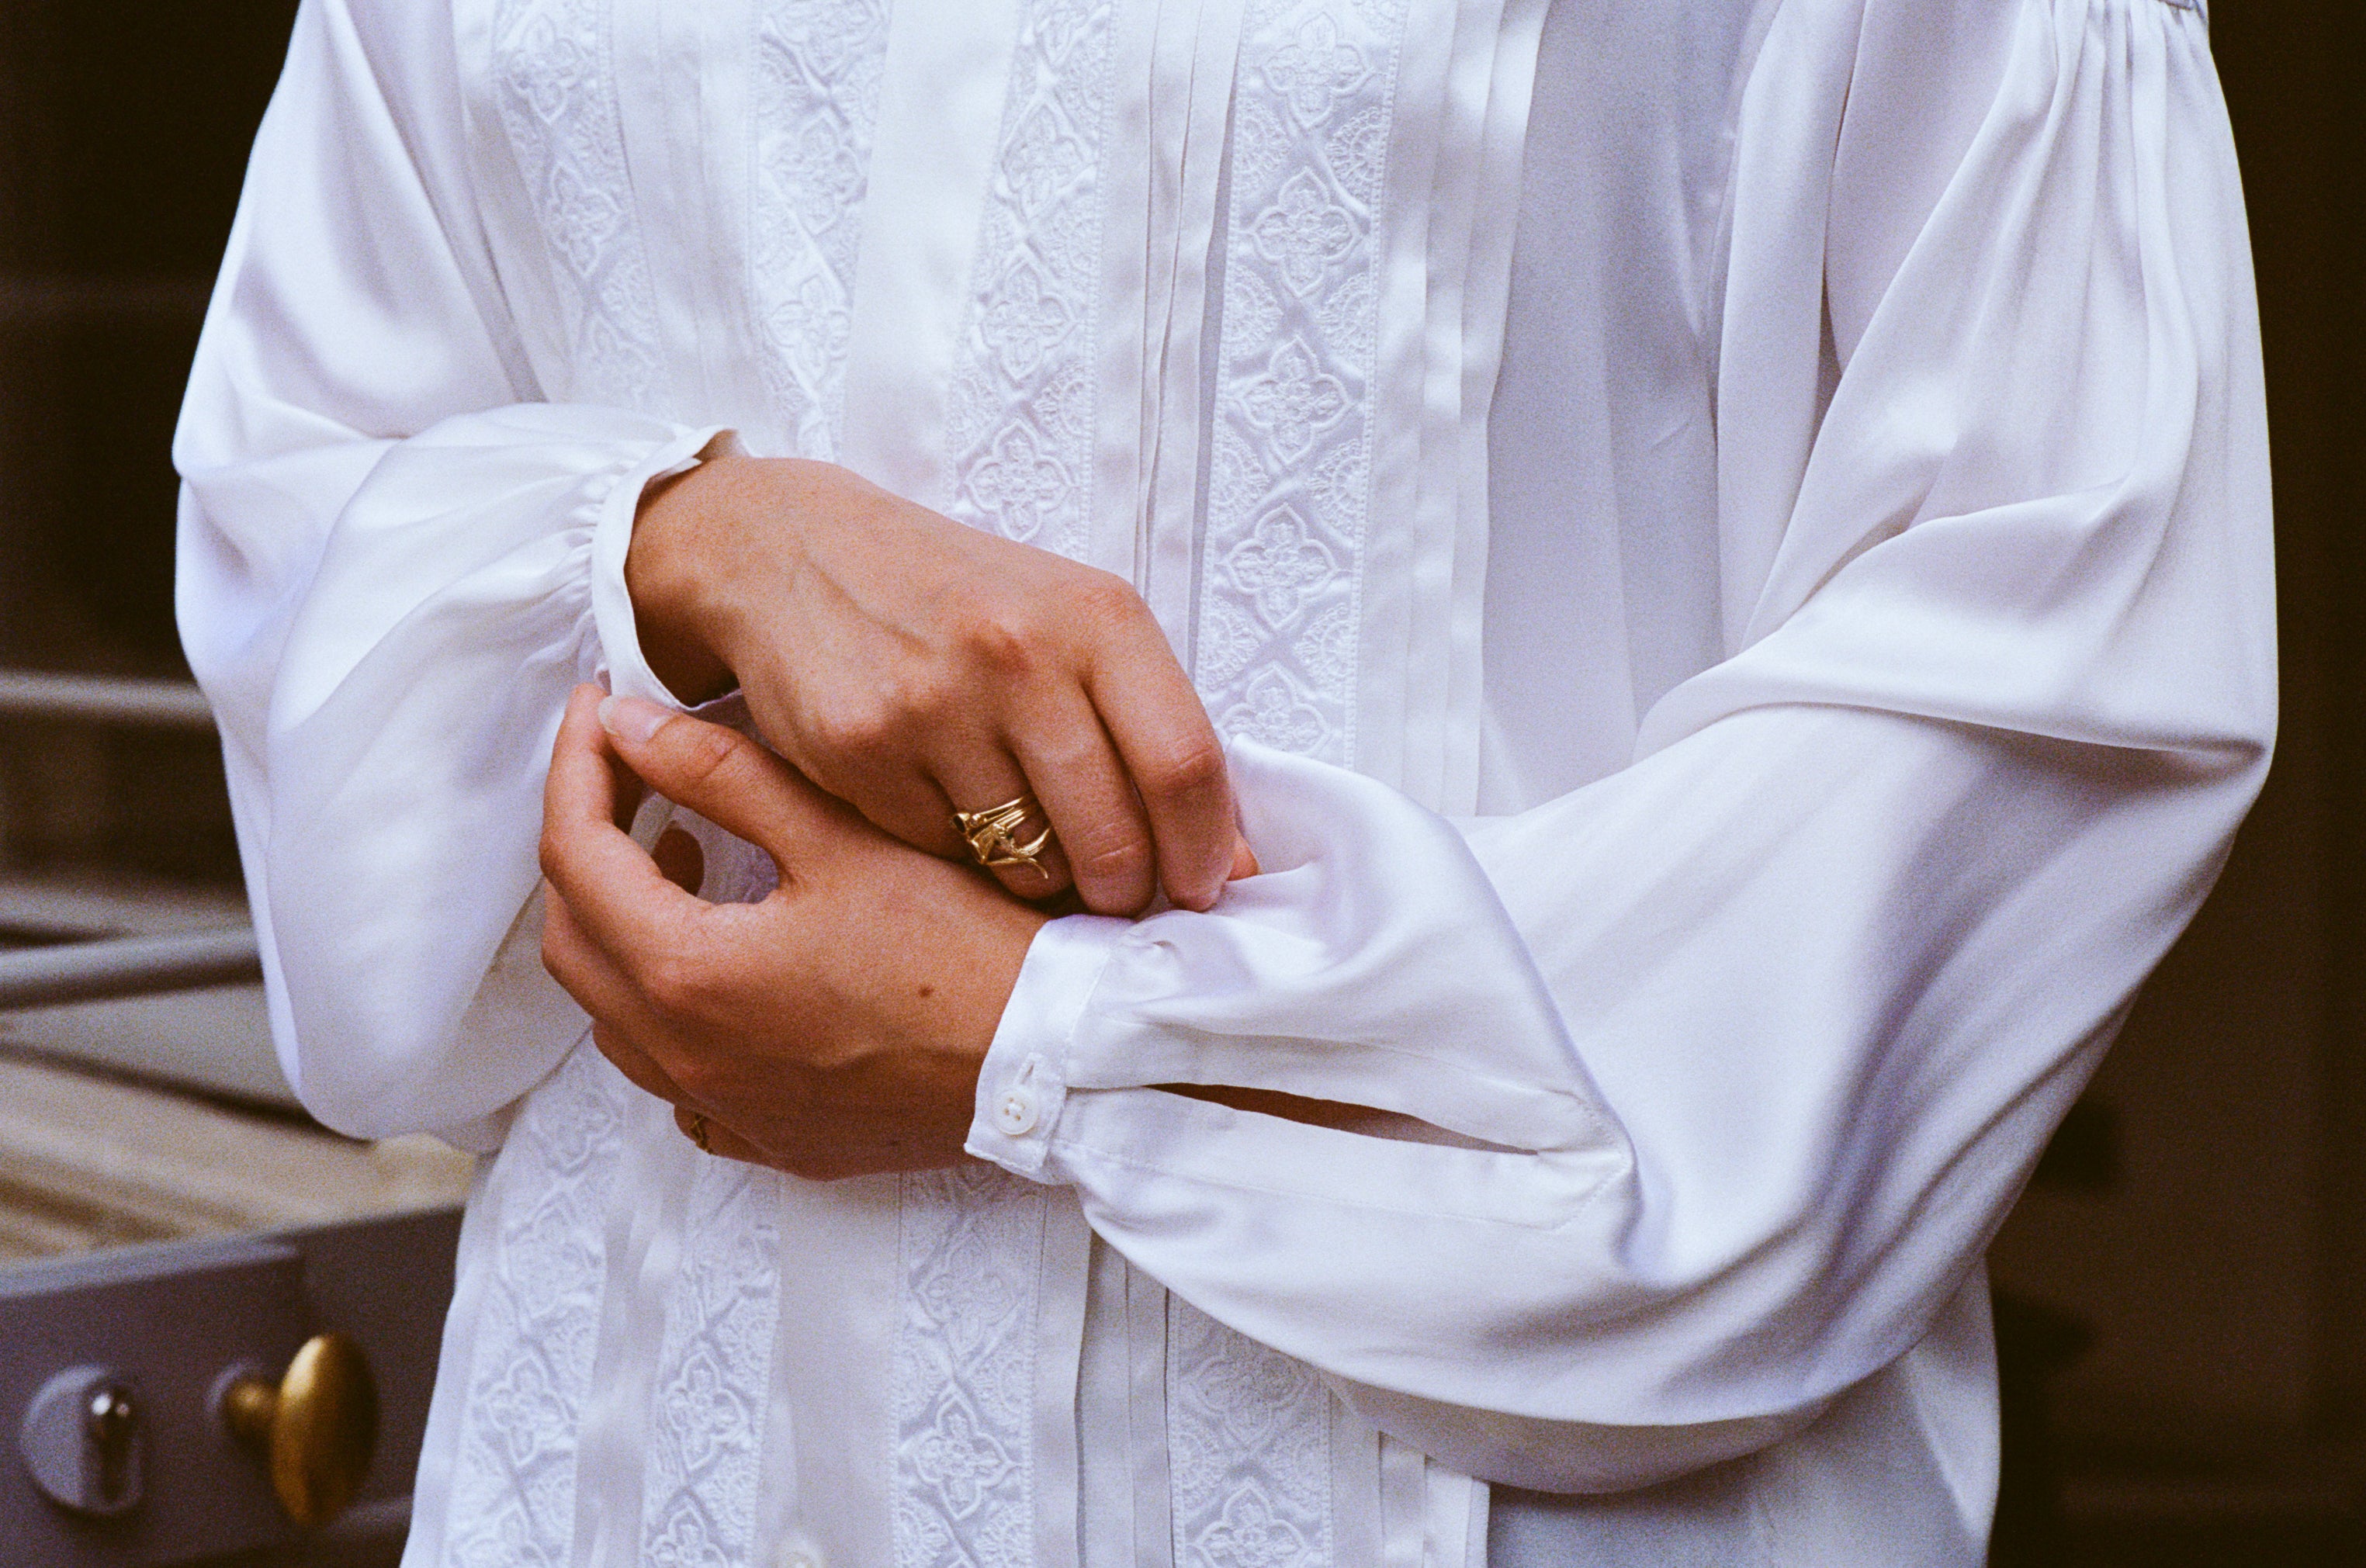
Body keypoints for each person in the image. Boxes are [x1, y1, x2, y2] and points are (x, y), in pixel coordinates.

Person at [174, 0, 2271, 1562]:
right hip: (648, 1466)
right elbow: (302, 496)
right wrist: (670, 542)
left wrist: (1056, 1041)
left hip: (1494, 1467)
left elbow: (2045, 648)